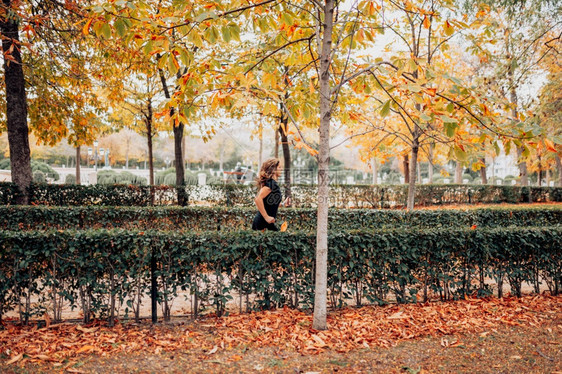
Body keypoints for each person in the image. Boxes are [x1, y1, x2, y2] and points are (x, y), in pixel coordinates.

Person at [252, 158, 289, 231]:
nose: (281, 169)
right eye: (279, 167)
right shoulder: (271, 183)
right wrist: (266, 217)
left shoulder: (272, 183)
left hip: (267, 223)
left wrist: (283, 204)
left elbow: (269, 202)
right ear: (273, 169)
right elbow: (258, 199)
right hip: (262, 223)